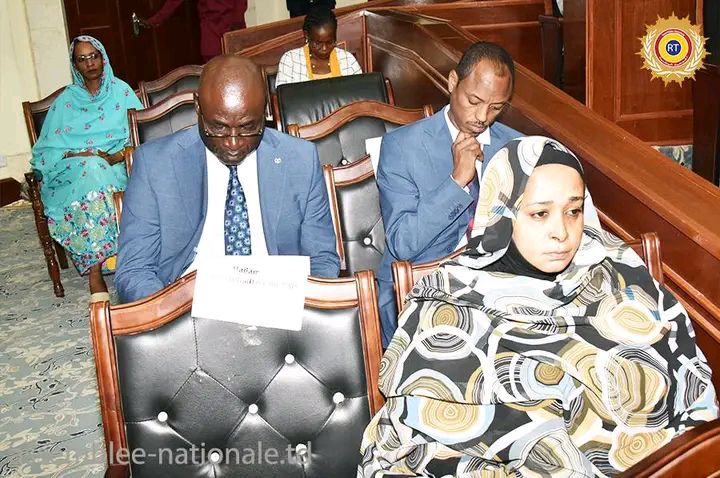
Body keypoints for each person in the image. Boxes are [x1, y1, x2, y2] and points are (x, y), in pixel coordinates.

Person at [358, 136, 718, 476]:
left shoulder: (615, 268)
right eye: (540, 214)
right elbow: (428, 434)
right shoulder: (449, 304)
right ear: (502, 212)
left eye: (573, 211)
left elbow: (688, 373)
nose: (561, 232)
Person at [115, 55, 339, 303]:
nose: (233, 143)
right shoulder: (155, 164)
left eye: (248, 127)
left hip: (277, 301)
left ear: (266, 109)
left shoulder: (300, 159)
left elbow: (322, 259)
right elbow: (135, 270)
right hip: (187, 304)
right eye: (218, 127)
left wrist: (306, 309)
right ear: (198, 106)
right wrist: (170, 314)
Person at [376, 41, 522, 346]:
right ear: (453, 82)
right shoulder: (402, 147)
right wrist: (457, 182)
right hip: (422, 285)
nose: (482, 116)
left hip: (498, 288)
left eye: (496, 107)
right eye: (474, 100)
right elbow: (403, 243)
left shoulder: (517, 147)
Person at [30, 36, 143, 300]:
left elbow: (143, 134)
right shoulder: (66, 101)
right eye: (82, 59)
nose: (90, 63)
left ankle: (108, 263)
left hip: (116, 166)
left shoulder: (121, 92)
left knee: (97, 171)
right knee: (91, 169)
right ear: (75, 65)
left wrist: (115, 156)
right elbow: (46, 149)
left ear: (103, 58)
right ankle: (96, 269)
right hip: (74, 170)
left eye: (94, 56)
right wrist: (77, 153)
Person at [275, 6, 362, 87]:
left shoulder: (348, 60)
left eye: (329, 42)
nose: (324, 48)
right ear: (307, 35)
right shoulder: (291, 61)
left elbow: (361, 93)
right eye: (318, 43)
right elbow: (283, 96)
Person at [139, 0, 247, 62]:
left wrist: (155, 19)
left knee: (238, 68)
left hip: (229, 29)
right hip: (214, 29)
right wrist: (155, 19)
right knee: (216, 70)